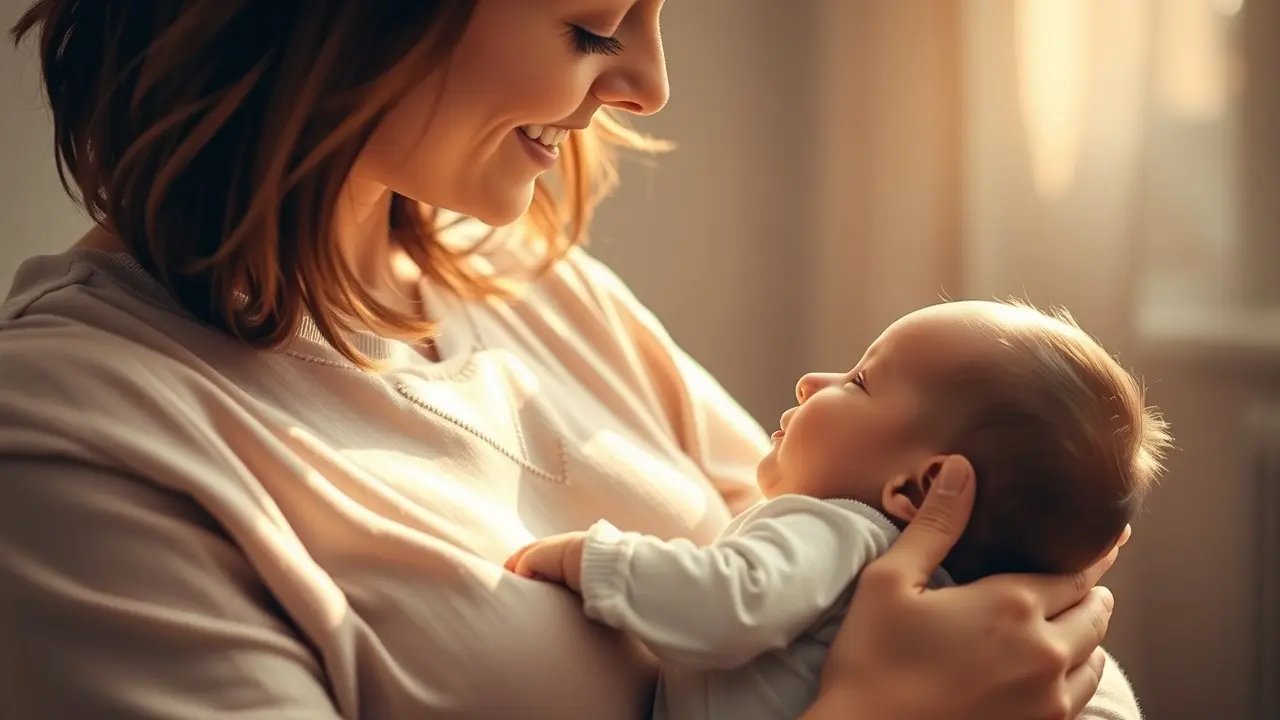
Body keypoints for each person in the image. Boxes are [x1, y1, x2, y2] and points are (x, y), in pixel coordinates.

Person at [0, 1, 1134, 717]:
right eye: (591, 24)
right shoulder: (73, 439)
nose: (647, 82)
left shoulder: (537, 287)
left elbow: (941, 592)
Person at [508, 299, 1171, 719]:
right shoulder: (1016, 636)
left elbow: (728, 602)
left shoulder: (831, 524)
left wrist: (593, 558)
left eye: (858, 381)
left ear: (919, 488)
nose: (811, 382)